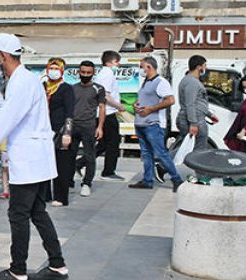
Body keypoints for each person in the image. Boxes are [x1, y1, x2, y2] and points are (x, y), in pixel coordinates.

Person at [0, 33, 68, 280]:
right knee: (37, 211)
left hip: (29, 160)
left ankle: (17, 269)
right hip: (36, 157)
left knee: (18, 214)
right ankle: (57, 264)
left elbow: (7, 120)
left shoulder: (21, 82)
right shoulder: (25, 79)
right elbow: (7, 115)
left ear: (3, 55)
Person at [129, 57, 184, 192]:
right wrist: (136, 105)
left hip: (153, 123)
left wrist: (151, 109)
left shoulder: (161, 82)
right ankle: (147, 180)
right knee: (147, 154)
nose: (140, 69)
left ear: (149, 66)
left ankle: (177, 179)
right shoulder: (145, 82)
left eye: (142, 66)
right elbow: (146, 99)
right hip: (141, 123)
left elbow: (170, 100)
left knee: (161, 153)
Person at [44, 58, 76, 207]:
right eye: (51, 68)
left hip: (60, 131)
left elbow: (70, 112)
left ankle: (61, 196)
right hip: (44, 131)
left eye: (57, 69)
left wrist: (67, 133)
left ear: (62, 71)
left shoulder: (66, 88)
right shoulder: (42, 87)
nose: (53, 71)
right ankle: (44, 195)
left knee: (61, 165)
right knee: (44, 164)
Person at [72, 61, 105, 197]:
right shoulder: (72, 88)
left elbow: (102, 108)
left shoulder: (98, 89)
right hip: (73, 125)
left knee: (90, 156)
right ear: (79, 72)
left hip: (89, 125)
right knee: (69, 156)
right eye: (83, 72)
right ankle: (68, 180)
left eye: (88, 73)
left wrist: (100, 127)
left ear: (93, 73)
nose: (85, 75)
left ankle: (87, 184)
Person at [94, 50, 126, 181]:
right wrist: (118, 106)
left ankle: (80, 163)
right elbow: (105, 95)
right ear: (111, 62)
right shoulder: (107, 74)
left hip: (103, 112)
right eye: (117, 62)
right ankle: (108, 171)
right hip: (107, 113)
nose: (118, 65)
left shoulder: (102, 73)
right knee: (113, 142)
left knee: (102, 144)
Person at [177, 55, 219, 151]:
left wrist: (209, 114)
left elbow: (197, 102)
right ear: (198, 67)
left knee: (188, 147)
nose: (205, 68)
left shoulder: (191, 81)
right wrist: (193, 123)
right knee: (198, 149)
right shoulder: (192, 82)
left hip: (195, 117)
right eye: (204, 65)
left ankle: (165, 163)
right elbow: (190, 103)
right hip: (195, 119)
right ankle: (165, 163)